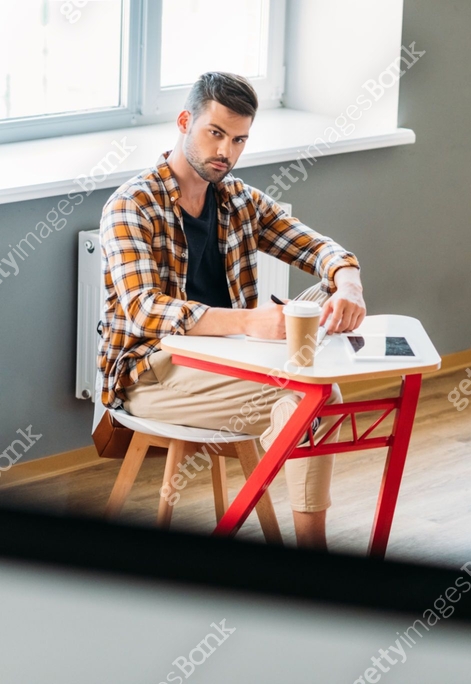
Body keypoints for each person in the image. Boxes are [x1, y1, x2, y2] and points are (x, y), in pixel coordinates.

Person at [98, 72, 366, 550]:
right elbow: (143, 310)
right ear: (185, 122)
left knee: (319, 312)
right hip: (151, 371)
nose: (226, 151)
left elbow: (318, 247)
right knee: (311, 396)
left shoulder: (239, 200)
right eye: (215, 133)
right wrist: (250, 322)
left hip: (232, 357)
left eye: (239, 139)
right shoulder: (132, 205)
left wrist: (350, 285)